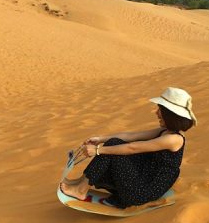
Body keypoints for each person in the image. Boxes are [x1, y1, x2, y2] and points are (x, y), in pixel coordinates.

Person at [59, 87, 196, 208]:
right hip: (143, 179)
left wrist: (98, 151)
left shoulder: (174, 139)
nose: (156, 113)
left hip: (143, 192)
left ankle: (81, 190)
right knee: (114, 142)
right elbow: (132, 136)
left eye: (160, 110)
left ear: (170, 115)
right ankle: (82, 182)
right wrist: (100, 139)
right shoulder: (166, 132)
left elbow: (134, 148)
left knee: (114, 147)